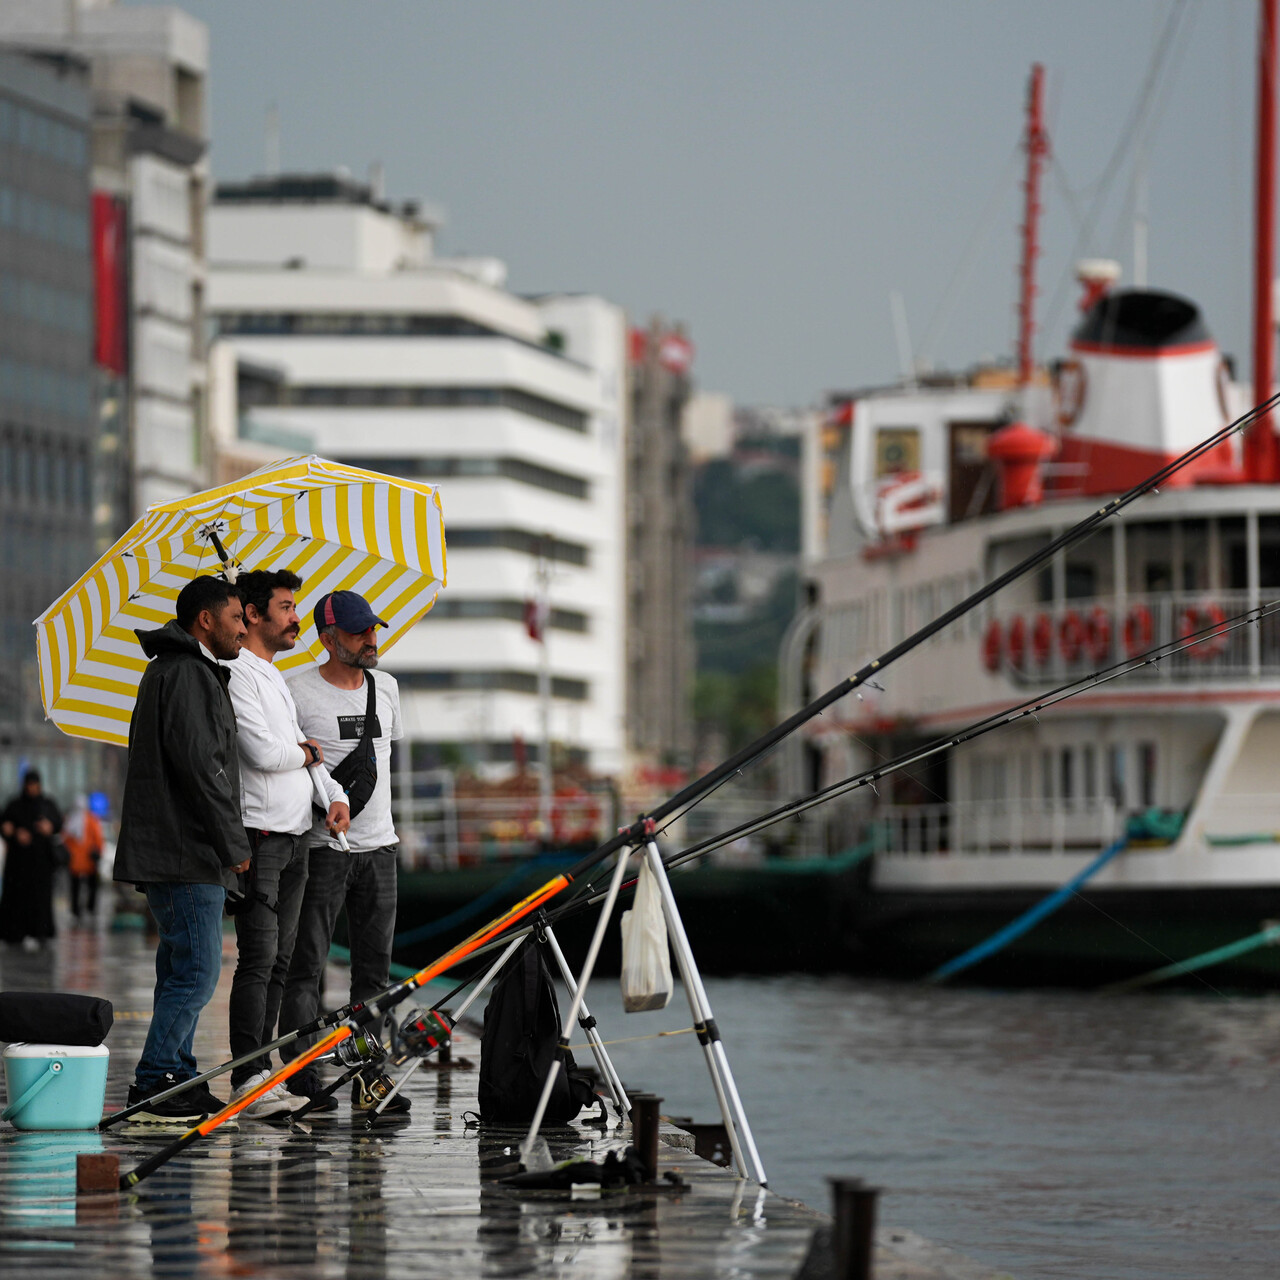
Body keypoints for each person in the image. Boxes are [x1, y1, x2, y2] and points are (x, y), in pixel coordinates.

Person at [114, 574, 252, 1124]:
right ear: (206, 620)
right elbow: (204, 769)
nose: (245, 628)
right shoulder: (190, 675)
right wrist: (233, 845)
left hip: (172, 849)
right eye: (238, 617)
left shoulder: (171, 671)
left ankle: (177, 1074)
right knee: (196, 973)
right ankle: (155, 1082)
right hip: (187, 851)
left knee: (180, 969)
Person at [223, 569, 350, 1120]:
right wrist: (305, 754)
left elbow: (304, 754)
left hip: (300, 832)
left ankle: (266, 1070)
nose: (296, 616)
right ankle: (246, 1077)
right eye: (285, 606)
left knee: (281, 961)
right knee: (257, 959)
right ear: (253, 615)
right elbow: (265, 753)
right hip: (263, 834)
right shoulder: (237, 675)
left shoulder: (274, 676)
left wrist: (334, 795)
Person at [280, 589, 410, 1116]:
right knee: (307, 965)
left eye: (374, 628)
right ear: (327, 639)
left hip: (382, 847)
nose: (371, 639)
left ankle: (368, 1076)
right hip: (322, 849)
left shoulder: (388, 687)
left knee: (374, 972)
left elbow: (385, 755)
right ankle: (303, 1074)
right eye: (359, 632)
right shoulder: (296, 692)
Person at [0, 770, 62, 949]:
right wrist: (12, 832)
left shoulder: (47, 804)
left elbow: (57, 823)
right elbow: (5, 824)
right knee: (16, 900)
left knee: (40, 900)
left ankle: (40, 932)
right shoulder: (15, 805)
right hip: (18, 865)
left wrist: (48, 827)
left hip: (41, 864)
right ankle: (14, 933)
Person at [62, 793, 104, 923]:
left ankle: (80, 910)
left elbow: (65, 840)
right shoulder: (91, 820)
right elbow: (98, 839)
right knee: (87, 887)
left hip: (80, 861)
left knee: (79, 887)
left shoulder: (72, 821)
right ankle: (86, 909)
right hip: (83, 862)